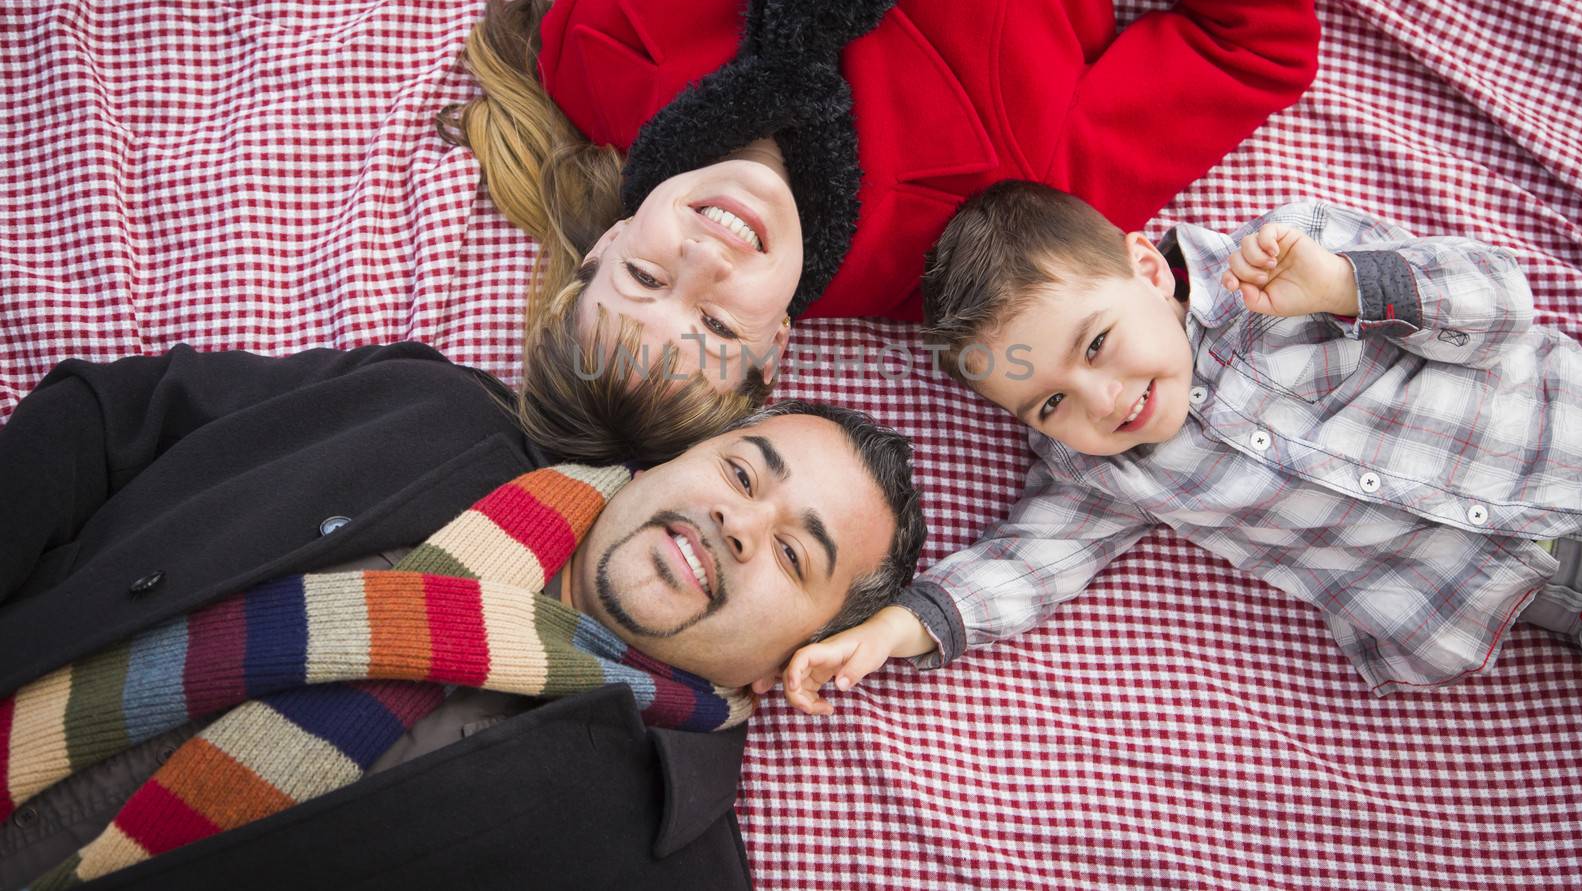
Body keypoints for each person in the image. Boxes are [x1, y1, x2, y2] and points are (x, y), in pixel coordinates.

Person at [441, 0, 1345, 397]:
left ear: (603, 248)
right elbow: (1251, 39)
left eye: (643, 280)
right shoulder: (987, 228)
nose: (702, 264)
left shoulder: (596, 52)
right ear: (776, 348)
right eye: (717, 327)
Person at [0, 343, 925, 889]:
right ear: (667, 462)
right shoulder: (429, 410)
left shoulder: (662, 865)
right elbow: (115, 417)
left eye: (795, 554)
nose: (738, 521)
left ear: (787, 665)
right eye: (740, 471)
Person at [773, 182, 1582, 715]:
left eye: (1096, 343)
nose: (1101, 400)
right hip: (1526, 595)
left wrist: (1346, 284)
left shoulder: (1287, 265)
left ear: (1146, 266)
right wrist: (891, 632)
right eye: (1051, 401)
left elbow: (1499, 301)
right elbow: (1028, 561)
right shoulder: (1101, 470)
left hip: (1571, 438)